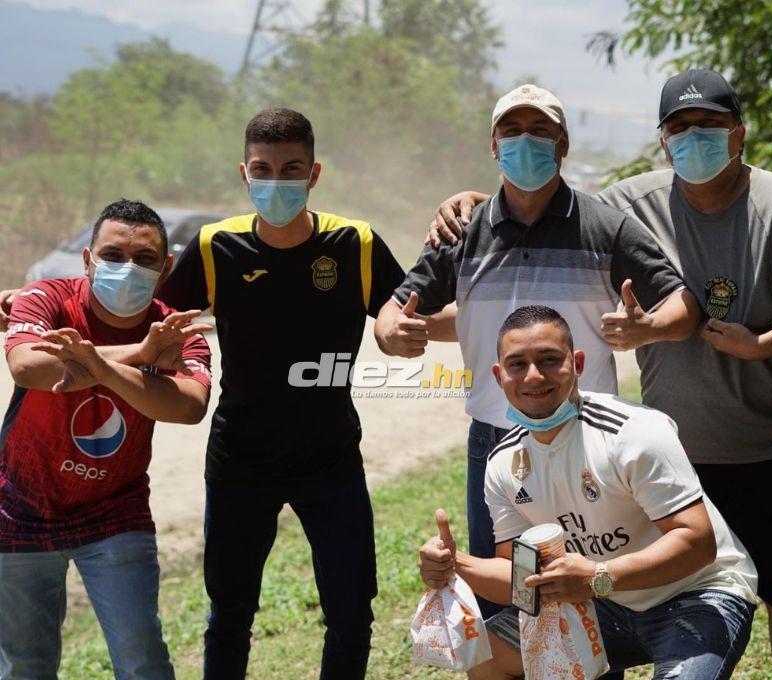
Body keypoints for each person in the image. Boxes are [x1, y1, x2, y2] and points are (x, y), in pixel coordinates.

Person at [426, 69, 772, 678]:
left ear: (738, 133)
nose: (694, 139)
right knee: (600, 596)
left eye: (708, 126)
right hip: (665, 449)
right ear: (663, 140)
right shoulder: (630, 202)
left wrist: (763, 344)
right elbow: (542, 207)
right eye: (679, 128)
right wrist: (473, 201)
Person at [377, 85, 701, 619]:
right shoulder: (463, 233)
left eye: (540, 132)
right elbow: (396, 309)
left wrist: (648, 329)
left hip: (586, 439)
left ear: (563, 144)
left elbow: (683, 304)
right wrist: (393, 334)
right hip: (493, 435)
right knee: (505, 597)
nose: (525, 143)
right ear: (493, 146)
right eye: (512, 131)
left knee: (591, 594)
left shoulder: (606, 226)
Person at [155, 108, 407, 679]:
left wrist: (398, 330)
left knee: (351, 614)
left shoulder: (355, 243)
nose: (276, 182)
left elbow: (403, 306)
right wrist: (42, 297)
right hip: (239, 462)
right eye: (263, 169)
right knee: (230, 615)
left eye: (291, 169)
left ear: (314, 174)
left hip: (332, 462)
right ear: (243, 173)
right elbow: (149, 316)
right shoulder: (216, 245)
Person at [417, 305, 758, 679]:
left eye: (549, 359)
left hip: (696, 594)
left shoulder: (632, 432)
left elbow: (697, 542)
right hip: (600, 603)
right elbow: (521, 578)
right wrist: (456, 565)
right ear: (499, 376)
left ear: (577, 363)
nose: (533, 375)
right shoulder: (503, 463)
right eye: (517, 364)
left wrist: (598, 575)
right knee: (485, 657)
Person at [0, 199, 213, 679]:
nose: (127, 268)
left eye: (144, 259)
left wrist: (90, 363)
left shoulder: (177, 330)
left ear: (166, 269)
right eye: (113, 255)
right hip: (19, 510)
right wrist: (140, 356)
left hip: (116, 513)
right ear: (87, 259)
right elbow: (28, 367)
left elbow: (187, 407)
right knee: (23, 666)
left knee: (141, 661)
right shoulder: (46, 298)